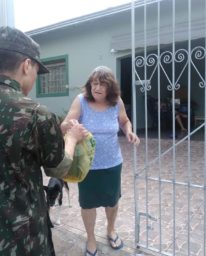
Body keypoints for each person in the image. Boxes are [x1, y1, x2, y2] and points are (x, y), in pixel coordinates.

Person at [0, 26, 88, 256]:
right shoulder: (35, 113)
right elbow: (59, 167)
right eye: (36, 71)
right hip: (23, 240)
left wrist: (56, 128)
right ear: (26, 65)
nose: (34, 77)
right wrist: (71, 138)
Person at [61, 66, 140, 256]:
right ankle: (90, 239)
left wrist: (128, 131)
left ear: (110, 87)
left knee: (112, 201)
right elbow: (64, 124)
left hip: (112, 163)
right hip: (87, 166)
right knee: (88, 204)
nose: (97, 87)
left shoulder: (116, 102)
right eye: (94, 83)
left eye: (102, 84)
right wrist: (71, 126)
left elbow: (124, 120)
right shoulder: (81, 101)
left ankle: (111, 230)